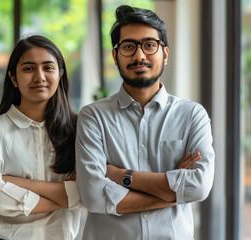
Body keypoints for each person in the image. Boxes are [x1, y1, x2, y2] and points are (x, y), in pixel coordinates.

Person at [75, 5, 215, 239]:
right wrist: (173, 192)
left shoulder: (192, 115)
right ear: (115, 56)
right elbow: (93, 196)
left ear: (165, 54)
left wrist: (121, 175)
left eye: (150, 45)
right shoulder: (93, 117)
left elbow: (198, 186)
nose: (139, 55)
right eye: (129, 47)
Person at [0, 35, 82, 240]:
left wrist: (15, 183)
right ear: (13, 78)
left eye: (48, 67)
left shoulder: (79, 130)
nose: (39, 77)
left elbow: (86, 191)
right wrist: (64, 198)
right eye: (28, 68)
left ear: (60, 74)